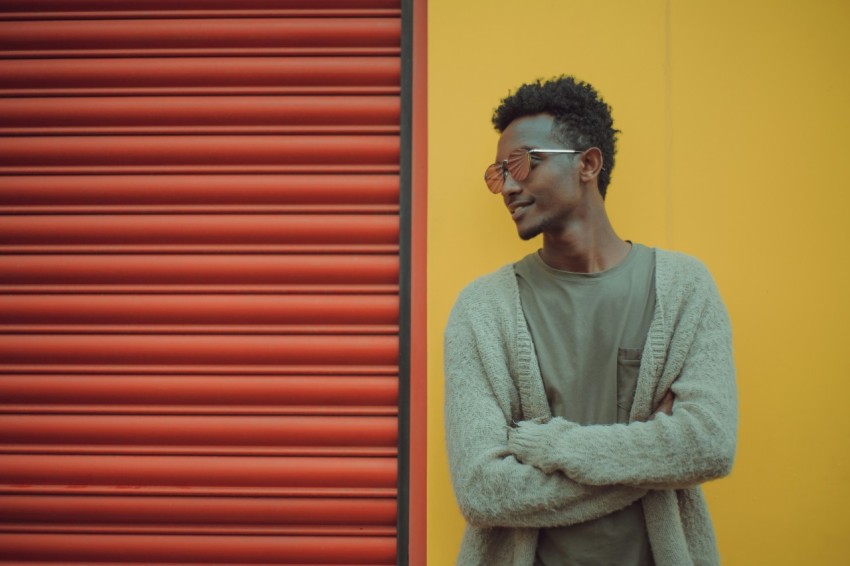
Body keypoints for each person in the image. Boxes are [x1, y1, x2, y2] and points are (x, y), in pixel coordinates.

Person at [443, 76, 737, 566]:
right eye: (498, 173)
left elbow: (708, 446)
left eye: (521, 163)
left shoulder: (684, 289)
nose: (508, 186)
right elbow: (482, 491)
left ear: (588, 163)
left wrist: (555, 445)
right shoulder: (482, 310)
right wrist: (653, 459)